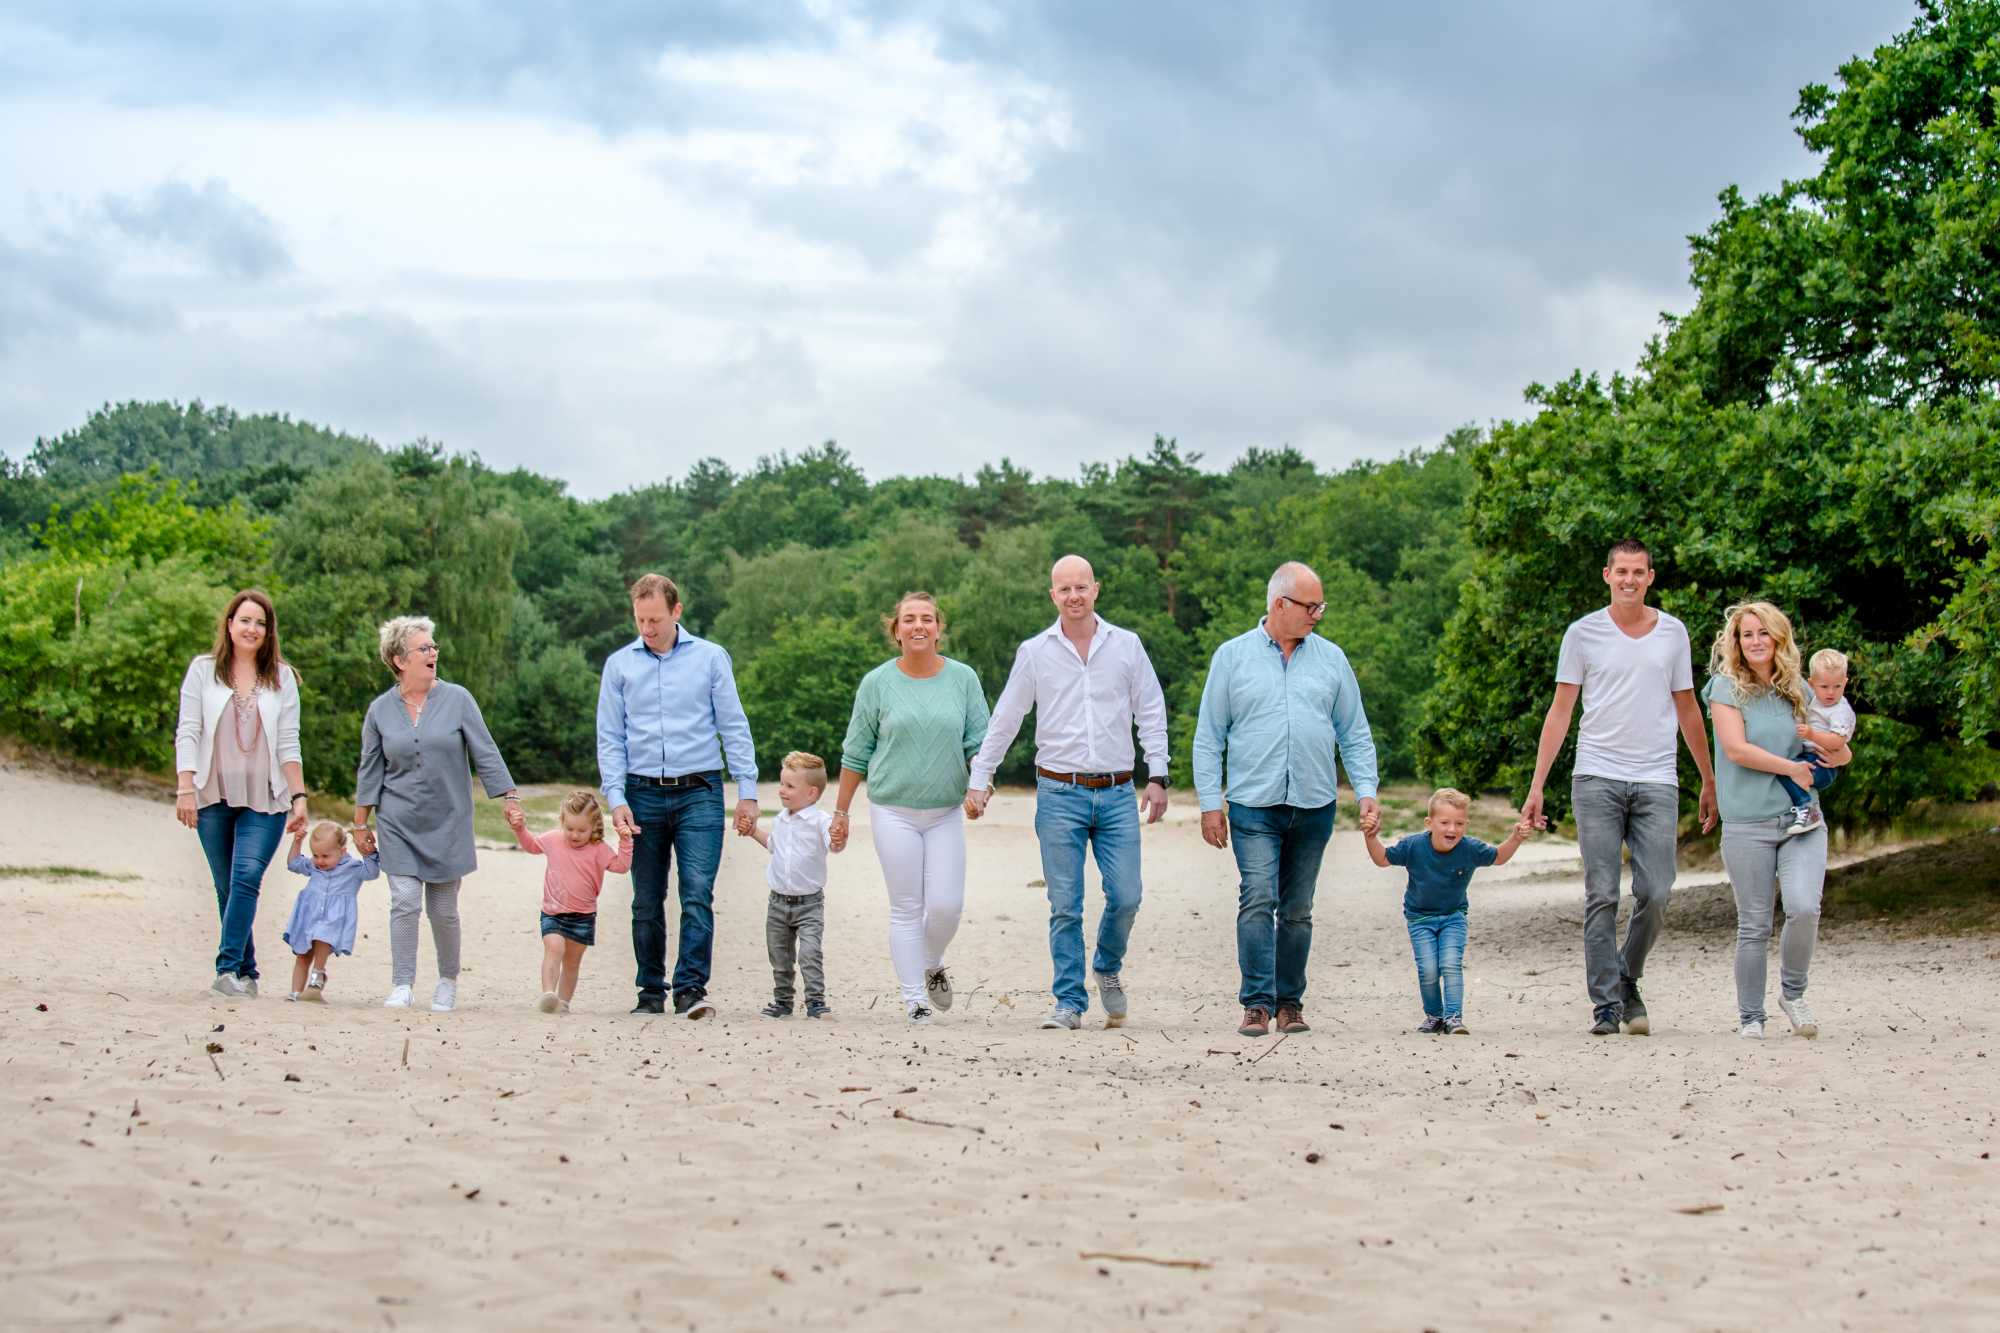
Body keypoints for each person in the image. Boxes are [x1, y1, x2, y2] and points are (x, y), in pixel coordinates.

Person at [1521, 539, 1719, 1037]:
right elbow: (1561, 710)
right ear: (1606, 575)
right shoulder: (1582, 634)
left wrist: (1708, 778)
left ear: (1650, 577)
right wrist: (1537, 784)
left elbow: (1688, 708)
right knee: (1602, 893)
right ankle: (1606, 1004)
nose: (1629, 579)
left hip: (1657, 778)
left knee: (1657, 891)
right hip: (1596, 777)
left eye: (1639, 571)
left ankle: (1627, 974)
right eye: (1621, 571)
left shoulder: (1673, 633)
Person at [964, 554, 1170, 1031]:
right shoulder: (1035, 652)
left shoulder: (1127, 646)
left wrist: (1157, 776)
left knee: (1127, 896)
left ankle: (1107, 966)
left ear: (1096, 589)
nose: (1074, 596)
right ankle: (1069, 1002)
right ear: (1052, 595)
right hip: (1059, 791)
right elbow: (1006, 719)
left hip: (1118, 792)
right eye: (1064, 589)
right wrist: (981, 778)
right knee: (1065, 904)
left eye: (1081, 587)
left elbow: (1152, 711)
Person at [1192, 562, 1379, 1040]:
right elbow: (1209, 737)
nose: (1318, 614)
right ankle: (1256, 1003)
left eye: (1321, 606)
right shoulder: (1232, 658)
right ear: (1281, 605)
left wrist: (1366, 792)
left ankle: (1290, 1002)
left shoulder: (1332, 659)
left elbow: (1354, 733)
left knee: (1297, 908)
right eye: (1311, 606)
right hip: (1253, 803)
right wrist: (1210, 803)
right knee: (1258, 897)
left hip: (1314, 804)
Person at [597, 573, 759, 1019]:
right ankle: (650, 990)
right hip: (641, 791)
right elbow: (609, 737)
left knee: (696, 892)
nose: (647, 629)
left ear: (676, 611)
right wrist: (616, 797)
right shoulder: (619, 666)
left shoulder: (710, 658)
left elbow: (734, 725)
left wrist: (747, 791)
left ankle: (690, 988)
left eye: (655, 619)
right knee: (646, 899)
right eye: (640, 620)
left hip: (700, 791)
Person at [832, 591, 991, 1025]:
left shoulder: (963, 680)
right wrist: (841, 813)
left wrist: (980, 786)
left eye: (926, 619)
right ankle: (914, 999)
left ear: (939, 628)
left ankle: (931, 960)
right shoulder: (877, 683)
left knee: (946, 906)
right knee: (906, 906)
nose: (918, 626)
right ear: (896, 631)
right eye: (909, 620)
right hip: (892, 809)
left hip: (944, 811)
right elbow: (855, 753)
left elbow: (979, 743)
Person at [353, 615, 521, 1013]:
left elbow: (485, 750)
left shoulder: (458, 699)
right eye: (424, 648)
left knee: (443, 910)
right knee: (405, 900)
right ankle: (402, 984)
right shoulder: (379, 711)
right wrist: (360, 823)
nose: (433, 653)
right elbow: (370, 769)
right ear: (399, 660)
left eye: (433, 647)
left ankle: (447, 980)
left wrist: (509, 797)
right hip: (397, 820)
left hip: (448, 820)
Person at [1702, 601, 1850, 1040]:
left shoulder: (1800, 690)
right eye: (1747, 635)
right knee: (1755, 924)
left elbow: (1839, 749)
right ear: (1737, 642)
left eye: (1763, 633)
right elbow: (1736, 750)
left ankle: (1793, 993)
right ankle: (1751, 1016)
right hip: (1747, 822)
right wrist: (1791, 769)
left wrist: (1838, 752)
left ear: (1778, 638)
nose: (1756, 641)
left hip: (1802, 819)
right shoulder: (1724, 688)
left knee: (1804, 907)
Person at [174, 589, 309, 999]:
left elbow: (289, 741)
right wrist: (184, 787)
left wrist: (300, 796)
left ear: (269, 632)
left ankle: (226, 968)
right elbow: (189, 730)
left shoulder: (282, 678)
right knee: (227, 886)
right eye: (245, 620)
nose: (252, 629)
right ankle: (248, 972)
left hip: (267, 797)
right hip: (212, 794)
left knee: (246, 876)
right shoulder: (203, 671)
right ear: (229, 624)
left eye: (261, 623)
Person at [1360, 790, 1534, 1036]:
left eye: (1459, 823)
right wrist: (1370, 836)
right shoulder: (1413, 846)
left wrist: (1515, 838)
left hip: (1454, 917)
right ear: (1429, 823)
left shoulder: (1470, 848)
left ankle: (1453, 1017)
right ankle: (1434, 1016)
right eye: (1445, 823)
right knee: (1429, 969)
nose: (1452, 828)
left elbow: (1498, 857)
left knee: (1451, 965)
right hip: (1420, 919)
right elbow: (1382, 858)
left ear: (1466, 825)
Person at [508, 790, 632, 1014]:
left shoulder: (599, 849)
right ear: (562, 823)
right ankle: (548, 994)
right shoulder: (554, 839)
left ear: (594, 827)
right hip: (553, 911)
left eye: (581, 830)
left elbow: (621, 867)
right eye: (570, 829)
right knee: (553, 948)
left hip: (583, 915)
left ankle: (563, 1002)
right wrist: (519, 828)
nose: (574, 835)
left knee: (572, 962)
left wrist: (625, 842)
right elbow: (532, 846)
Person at [742, 751, 838, 1020]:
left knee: (809, 954)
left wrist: (839, 837)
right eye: (782, 784)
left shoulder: (820, 821)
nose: (781, 790)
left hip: (809, 904)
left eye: (789, 786)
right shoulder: (781, 819)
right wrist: (753, 831)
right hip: (777, 902)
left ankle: (816, 1001)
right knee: (780, 957)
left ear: (811, 793)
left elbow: (834, 844)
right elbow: (774, 846)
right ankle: (782, 1001)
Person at [281, 821, 380, 1002]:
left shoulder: (352, 868)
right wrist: (297, 842)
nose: (320, 861)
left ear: (342, 851)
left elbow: (372, 873)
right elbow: (294, 864)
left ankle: (317, 977)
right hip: (310, 916)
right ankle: (296, 992)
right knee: (302, 956)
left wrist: (369, 854)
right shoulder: (313, 865)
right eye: (316, 855)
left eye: (325, 856)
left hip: (333, 918)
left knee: (323, 936)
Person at [1776, 648, 1857, 837]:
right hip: (1810, 755)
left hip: (1822, 764)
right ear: (1812, 684)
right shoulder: (1815, 701)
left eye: (1837, 686)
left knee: (1789, 770)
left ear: (1845, 683)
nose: (1831, 692)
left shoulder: (1839, 710)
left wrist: (1812, 735)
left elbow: (1837, 741)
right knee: (1786, 769)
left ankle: (1807, 809)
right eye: (1824, 687)